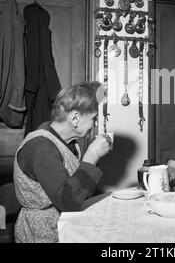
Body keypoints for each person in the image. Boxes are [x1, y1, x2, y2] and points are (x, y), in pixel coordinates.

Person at [13, 81, 111, 243]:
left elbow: (76, 186)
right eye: (94, 118)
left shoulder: (67, 141)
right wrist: (91, 157)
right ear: (75, 118)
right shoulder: (41, 147)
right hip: (42, 233)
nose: (95, 124)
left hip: (63, 225)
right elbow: (68, 202)